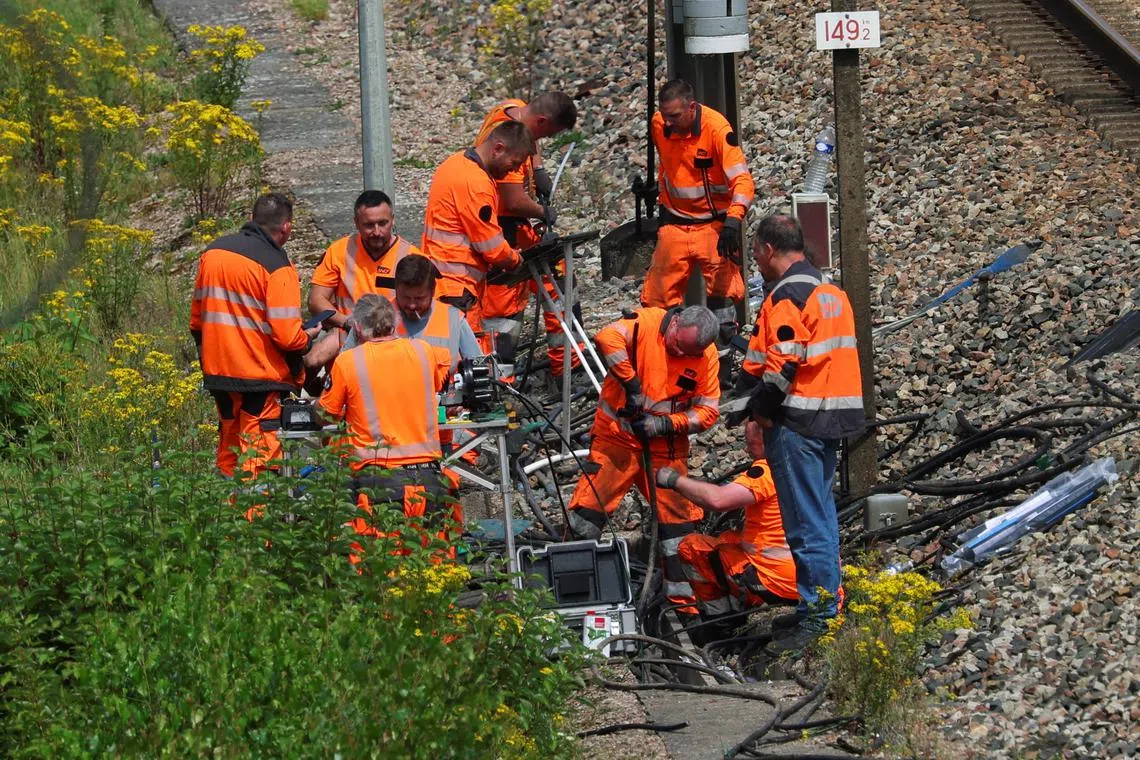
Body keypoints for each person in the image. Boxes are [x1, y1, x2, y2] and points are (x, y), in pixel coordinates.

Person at [744, 214, 865, 654]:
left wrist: (758, 411)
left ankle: (818, 618)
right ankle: (821, 605)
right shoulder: (829, 290)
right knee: (822, 517)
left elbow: (783, 364)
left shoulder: (788, 294)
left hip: (798, 421)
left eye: (755, 252)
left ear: (768, 250)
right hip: (832, 417)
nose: (754, 262)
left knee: (804, 524)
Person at [565, 305, 721, 610]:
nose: (681, 354)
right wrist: (631, 384)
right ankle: (572, 594)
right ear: (675, 323)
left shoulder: (706, 356)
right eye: (679, 346)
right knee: (587, 513)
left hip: (665, 449)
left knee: (679, 528)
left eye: (690, 352)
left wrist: (665, 424)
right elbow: (606, 337)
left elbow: (708, 412)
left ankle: (684, 605)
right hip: (617, 440)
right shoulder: (644, 325)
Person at [190, 192, 319, 478]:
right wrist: (308, 337)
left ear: (251, 219)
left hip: (220, 376)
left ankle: (227, 513)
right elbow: (287, 338)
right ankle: (255, 520)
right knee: (258, 460)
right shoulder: (278, 266)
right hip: (260, 379)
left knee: (229, 453)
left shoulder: (213, 253)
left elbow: (197, 321)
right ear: (287, 227)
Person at [317, 294, 457, 551]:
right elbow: (448, 363)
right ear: (394, 325)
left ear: (358, 328)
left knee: (379, 573)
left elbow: (325, 415)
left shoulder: (348, 362)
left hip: (378, 482)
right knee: (430, 566)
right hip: (429, 479)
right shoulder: (424, 351)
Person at [656, 419, 797, 642]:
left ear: (765, 441)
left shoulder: (765, 472)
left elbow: (718, 500)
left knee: (693, 548)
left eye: (750, 444)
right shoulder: (801, 465)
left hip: (776, 581)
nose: (747, 449)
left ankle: (723, 622)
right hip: (806, 578)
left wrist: (674, 480)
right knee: (728, 538)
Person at [474, 92, 582, 381]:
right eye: (547, 133)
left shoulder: (513, 110)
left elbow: (528, 128)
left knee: (559, 280)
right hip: (503, 228)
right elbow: (512, 200)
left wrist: (539, 168)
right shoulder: (508, 151)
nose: (541, 142)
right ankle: (499, 381)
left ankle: (568, 364)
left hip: (511, 226)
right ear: (542, 121)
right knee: (503, 307)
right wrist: (543, 210)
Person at [640, 79, 755, 335]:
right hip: (675, 223)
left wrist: (733, 221)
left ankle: (721, 360)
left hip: (713, 225)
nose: (668, 122)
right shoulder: (660, 124)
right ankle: (663, 350)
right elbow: (667, 164)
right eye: (665, 115)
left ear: (692, 107)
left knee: (723, 294)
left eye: (675, 116)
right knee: (657, 298)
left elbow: (743, 181)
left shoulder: (716, 129)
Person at [421, 120, 533, 349]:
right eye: (515, 163)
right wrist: (515, 259)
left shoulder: (454, 164)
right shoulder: (477, 183)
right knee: (465, 364)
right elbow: (490, 246)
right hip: (457, 288)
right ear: (498, 148)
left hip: (440, 281)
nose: (513, 170)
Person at [305, 190, 421, 372]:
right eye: (369, 225)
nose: (377, 232)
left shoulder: (411, 256)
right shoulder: (339, 251)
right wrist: (346, 322)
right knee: (310, 362)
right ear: (356, 223)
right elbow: (316, 300)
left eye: (383, 223)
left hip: (394, 344)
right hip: (348, 342)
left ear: (393, 219)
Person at [392, 253, 483, 372]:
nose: (412, 305)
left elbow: (478, 370)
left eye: (419, 298)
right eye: (405, 297)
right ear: (396, 289)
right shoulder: (379, 318)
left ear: (433, 291)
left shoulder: (454, 320)